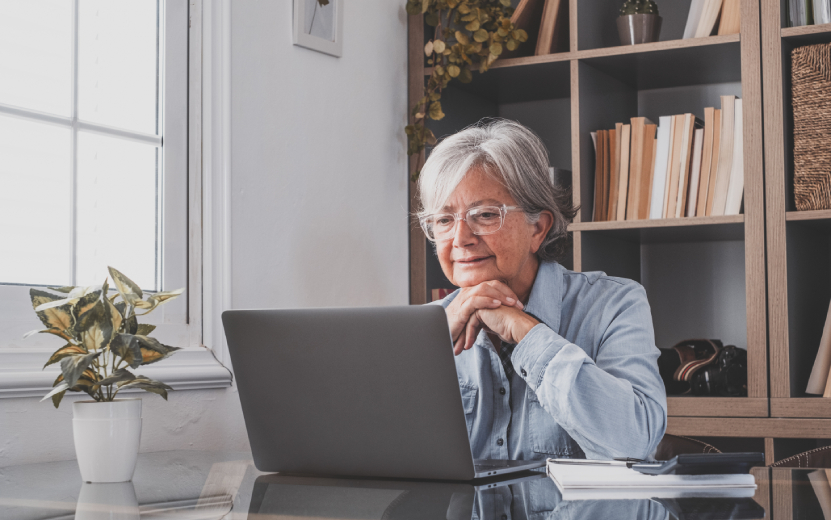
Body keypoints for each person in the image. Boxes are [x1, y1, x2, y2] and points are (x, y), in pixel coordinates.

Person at [417, 118, 667, 461]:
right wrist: (427, 357)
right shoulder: (428, 328)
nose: (460, 238)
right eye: (444, 220)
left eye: (485, 215)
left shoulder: (614, 304)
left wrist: (524, 331)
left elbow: (635, 442)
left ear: (538, 228)